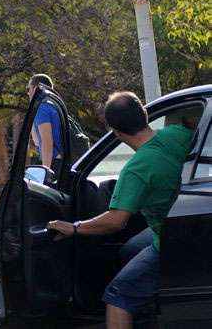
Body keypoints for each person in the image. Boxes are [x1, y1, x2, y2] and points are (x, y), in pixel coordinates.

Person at [46, 91, 193, 329]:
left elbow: (115, 221)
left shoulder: (135, 170)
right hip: (187, 224)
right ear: (144, 114)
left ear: (115, 131)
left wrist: (74, 227)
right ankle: (149, 307)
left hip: (169, 239)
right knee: (130, 249)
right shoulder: (179, 134)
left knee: (117, 296)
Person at [27, 74, 63, 173]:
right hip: (60, 161)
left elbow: (47, 141)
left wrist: (45, 170)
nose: (28, 93)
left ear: (35, 89)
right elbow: (37, 141)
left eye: (29, 89)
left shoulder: (42, 107)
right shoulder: (53, 104)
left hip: (54, 163)